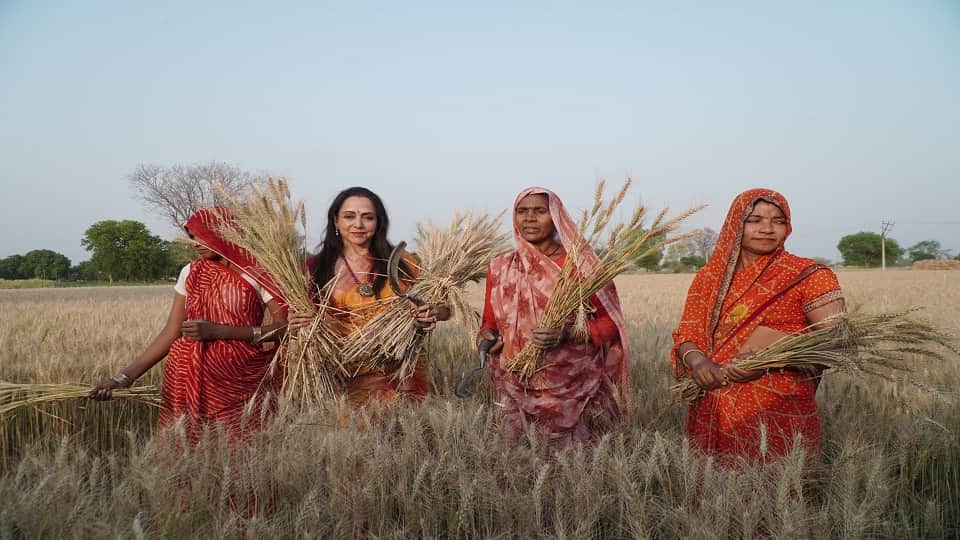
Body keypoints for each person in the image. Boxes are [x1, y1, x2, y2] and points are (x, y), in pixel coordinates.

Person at [672, 188, 845, 461]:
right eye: (754, 220)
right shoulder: (708, 278)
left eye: (778, 220)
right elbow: (687, 332)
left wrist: (769, 358)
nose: (767, 228)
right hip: (714, 404)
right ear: (734, 224)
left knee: (778, 488)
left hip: (779, 406)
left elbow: (836, 340)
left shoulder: (810, 276)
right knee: (715, 491)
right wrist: (698, 363)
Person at [89, 207, 288, 443]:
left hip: (241, 380)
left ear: (225, 233)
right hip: (185, 379)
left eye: (202, 235)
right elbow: (171, 331)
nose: (195, 243)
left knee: (241, 454)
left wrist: (219, 332)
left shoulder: (257, 273)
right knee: (189, 455)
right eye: (192, 237)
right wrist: (123, 378)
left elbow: (286, 328)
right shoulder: (191, 272)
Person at [477, 187, 631, 444]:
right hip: (515, 382)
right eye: (522, 211)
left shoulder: (582, 266)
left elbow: (611, 324)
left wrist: (568, 333)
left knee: (576, 465)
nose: (529, 218)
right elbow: (490, 321)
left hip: (573, 388)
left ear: (556, 216)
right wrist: (487, 337)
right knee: (518, 462)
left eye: (540, 211)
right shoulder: (501, 266)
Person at [288, 187, 450, 407]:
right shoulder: (314, 269)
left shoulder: (402, 262)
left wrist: (431, 312)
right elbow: (296, 320)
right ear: (335, 221)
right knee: (352, 439)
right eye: (349, 216)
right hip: (343, 376)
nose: (358, 224)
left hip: (401, 376)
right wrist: (296, 322)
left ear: (379, 222)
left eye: (368, 217)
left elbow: (444, 309)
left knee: (406, 438)